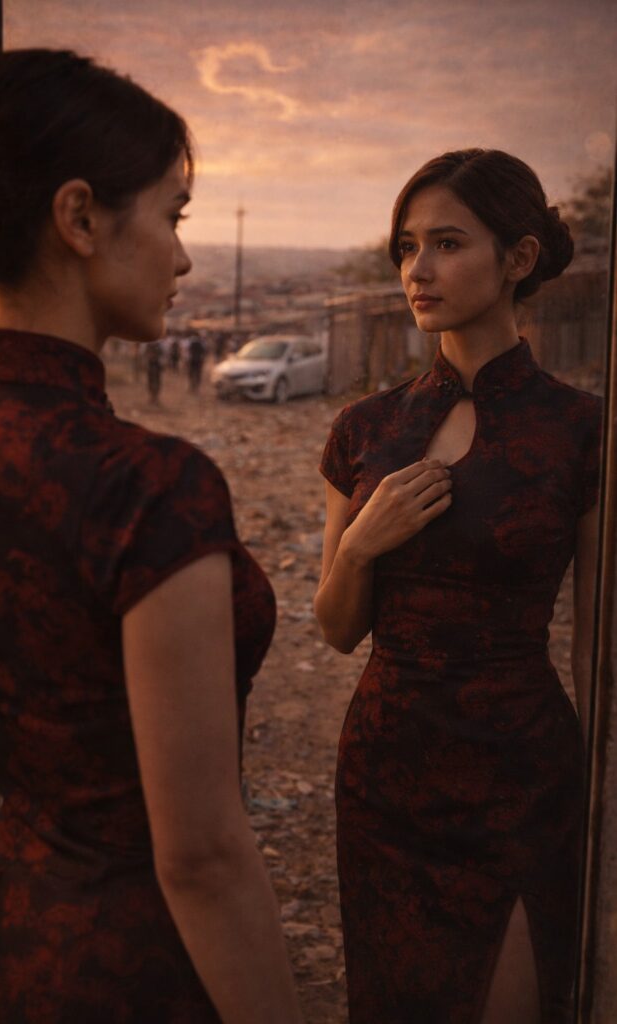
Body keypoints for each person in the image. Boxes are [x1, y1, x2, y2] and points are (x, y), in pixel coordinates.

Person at [0, 49, 302, 1024]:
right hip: (137, 971)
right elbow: (204, 856)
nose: (182, 257)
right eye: (172, 216)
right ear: (80, 217)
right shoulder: (147, 484)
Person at [314, 149, 602, 1024]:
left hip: (521, 776)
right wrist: (361, 546)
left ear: (516, 259)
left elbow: (595, 644)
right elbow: (333, 628)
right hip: (385, 769)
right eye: (406, 247)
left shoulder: (581, 430)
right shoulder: (365, 426)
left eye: (446, 243)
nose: (418, 270)